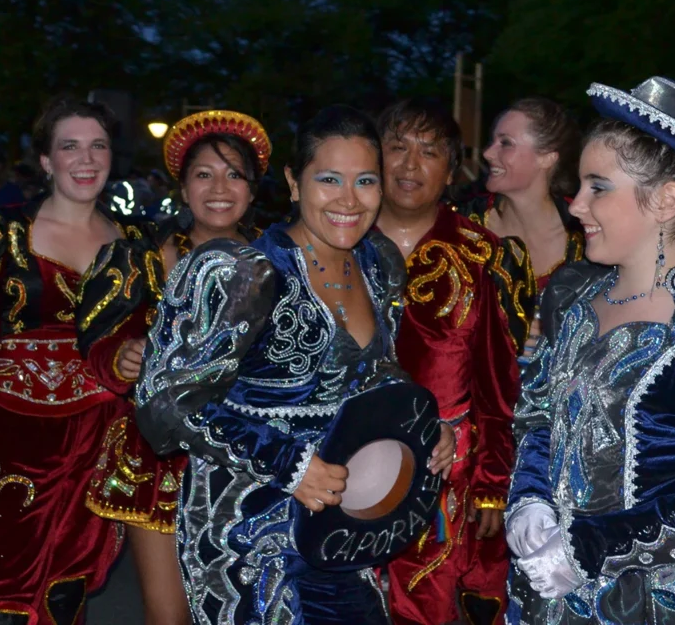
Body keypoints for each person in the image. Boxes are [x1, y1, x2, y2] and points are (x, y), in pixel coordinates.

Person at [134, 104, 456, 625]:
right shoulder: (242, 272)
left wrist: (423, 428)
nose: (348, 200)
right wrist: (290, 464)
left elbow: (374, 374)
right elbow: (165, 404)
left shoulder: (378, 264)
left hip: (345, 526)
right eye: (329, 179)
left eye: (365, 181)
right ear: (293, 182)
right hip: (251, 529)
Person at [505, 77, 675, 624]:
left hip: (663, 600)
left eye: (598, 187)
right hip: (551, 595)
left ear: (665, 201)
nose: (576, 205)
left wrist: (591, 546)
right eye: (579, 186)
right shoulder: (572, 296)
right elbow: (538, 416)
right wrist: (530, 499)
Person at [0, 97, 137, 625]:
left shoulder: (134, 244)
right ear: (45, 159)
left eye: (98, 145)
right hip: (10, 440)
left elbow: (134, 340)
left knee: (66, 591)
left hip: (98, 438)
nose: (86, 159)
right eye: (70, 146)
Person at [76, 110, 271, 625]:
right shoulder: (142, 258)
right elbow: (99, 343)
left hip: (249, 457)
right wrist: (122, 357)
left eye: (234, 175)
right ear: (183, 188)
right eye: (204, 174)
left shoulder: (282, 262)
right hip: (160, 462)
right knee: (169, 616)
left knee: (245, 610)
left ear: (252, 189)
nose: (219, 188)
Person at [375, 100, 534, 625]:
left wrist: (492, 483)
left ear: (451, 170)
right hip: (343, 462)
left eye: (428, 151)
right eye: (397, 147)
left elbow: (498, 381)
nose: (410, 164)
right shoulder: (338, 240)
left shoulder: (482, 255)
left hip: (444, 475)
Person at [464, 98, 584, 291]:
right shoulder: (465, 225)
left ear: (547, 158)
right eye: (492, 141)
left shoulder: (586, 233)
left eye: (505, 143)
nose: (487, 153)